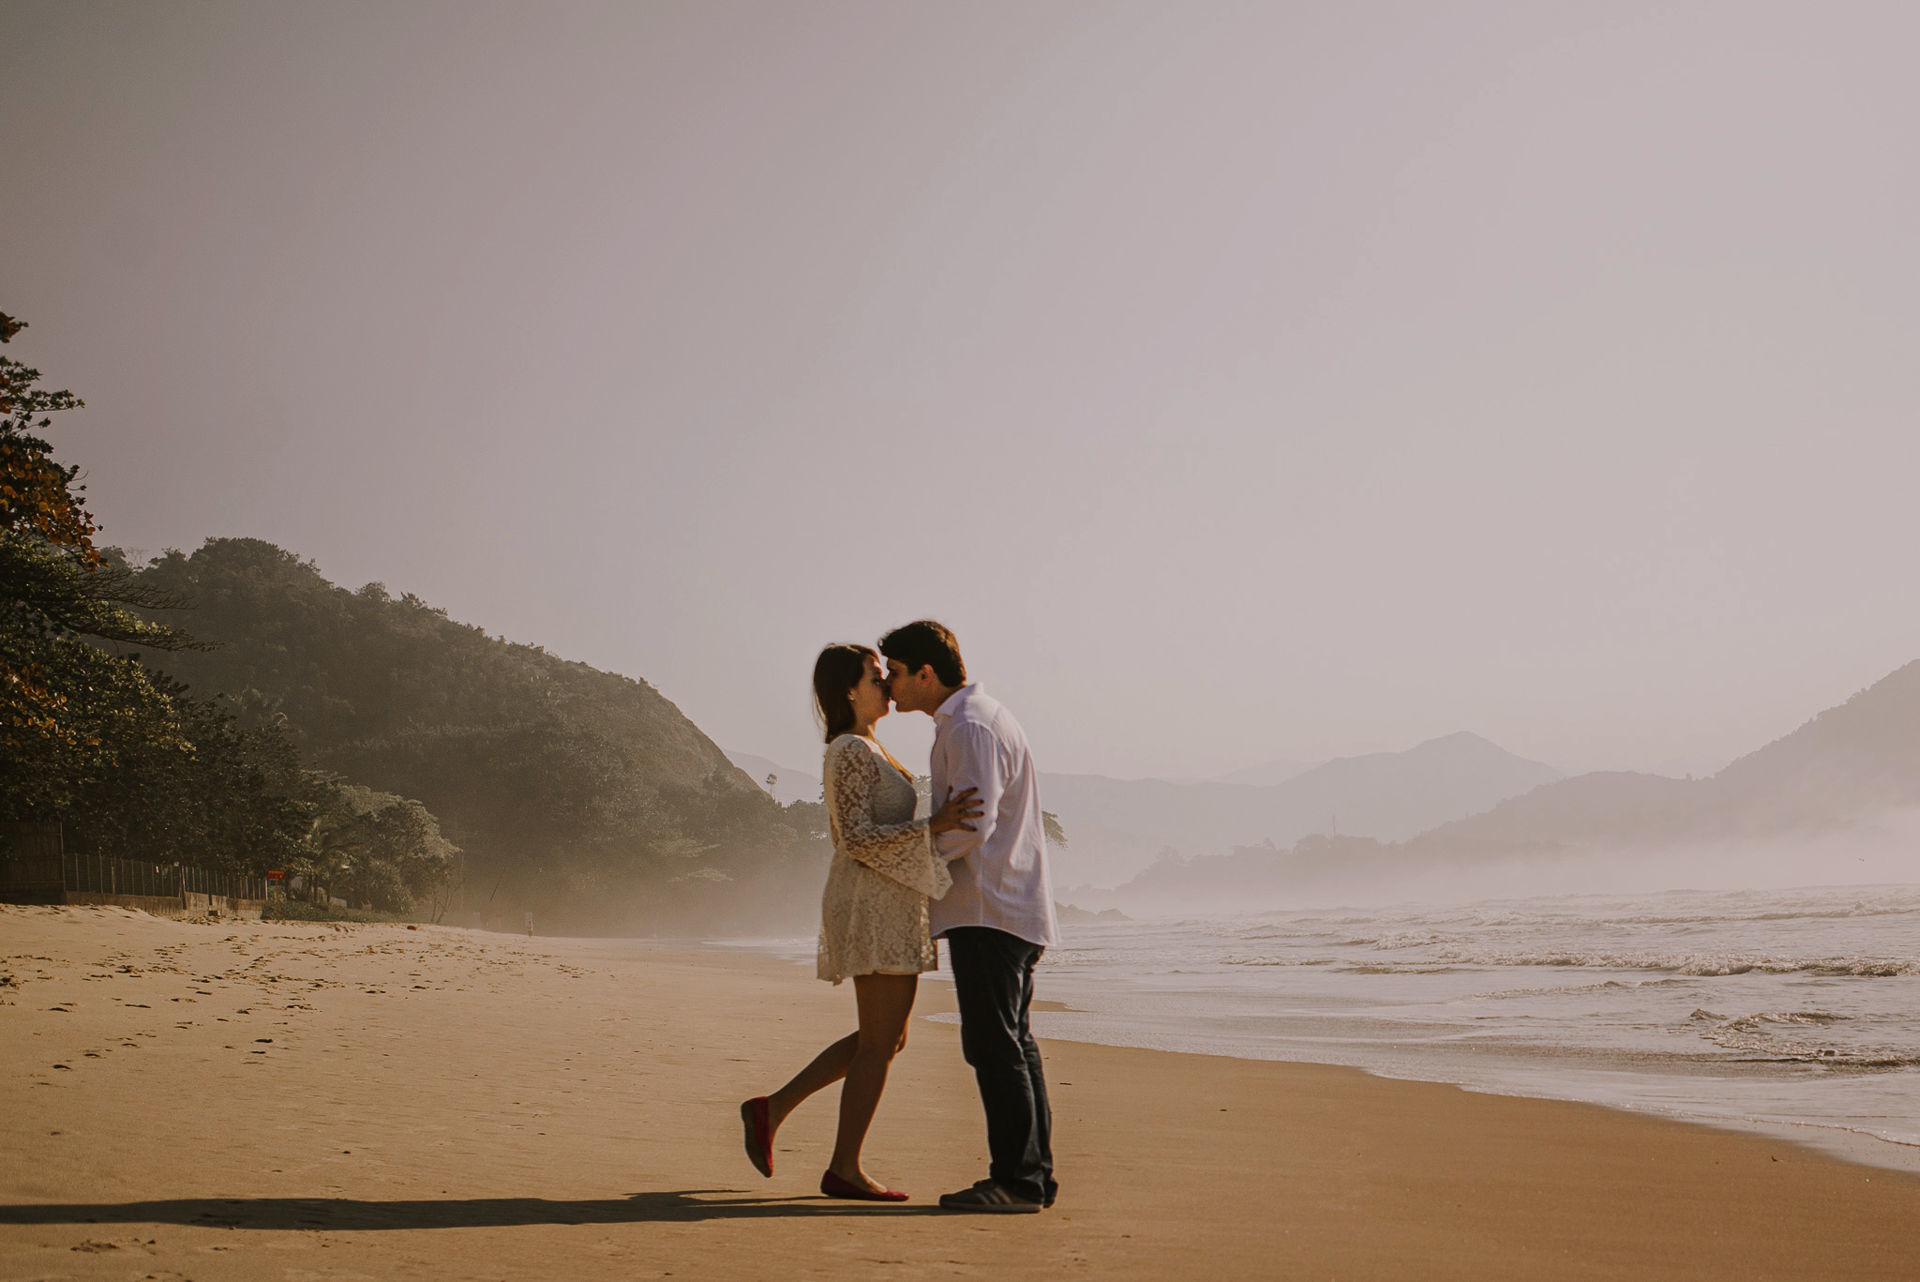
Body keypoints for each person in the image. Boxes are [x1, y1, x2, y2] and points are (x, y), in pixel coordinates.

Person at [739, 643, 981, 1202]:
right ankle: (842, 1167)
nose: (887, 684)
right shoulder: (849, 749)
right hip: (870, 904)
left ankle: (772, 1111)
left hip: (890, 902)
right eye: (877, 677)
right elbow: (854, 839)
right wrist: (933, 825)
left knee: (887, 1039)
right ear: (849, 690)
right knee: (880, 1043)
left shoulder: (871, 746)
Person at [881, 620, 1060, 1214]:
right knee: (1012, 1043)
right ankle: (1032, 1177)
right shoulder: (973, 718)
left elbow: (970, 823)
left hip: (988, 904)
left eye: (897, 672)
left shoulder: (970, 724)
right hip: (1003, 904)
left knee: (993, 1045)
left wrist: (911, 860)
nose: (890, 683)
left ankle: (1016, 1181)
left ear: (926, 673)